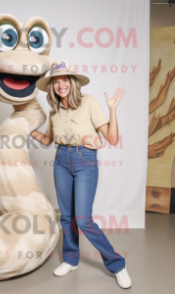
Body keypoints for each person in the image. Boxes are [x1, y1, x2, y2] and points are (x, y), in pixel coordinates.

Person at [30, 59, 132, 289]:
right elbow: (47, 141)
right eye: (55, 82)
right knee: (66, 217)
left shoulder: (89, 102)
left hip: (85, 160)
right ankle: (71, 259)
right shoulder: (54, 110)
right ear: (52, 87)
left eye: (64, 80)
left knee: (83, 219)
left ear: (72, 82)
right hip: (60, 160)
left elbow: (112, 139)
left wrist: (112, 109)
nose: (60, 85)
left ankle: (117, 265)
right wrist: (27, 127)